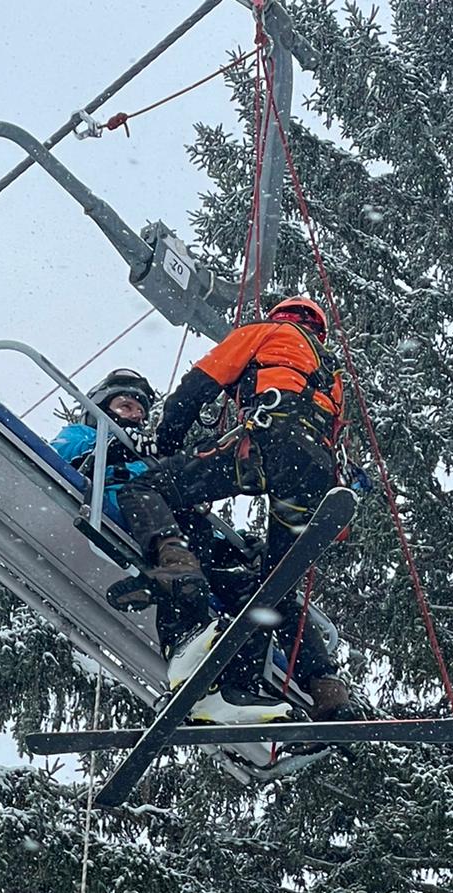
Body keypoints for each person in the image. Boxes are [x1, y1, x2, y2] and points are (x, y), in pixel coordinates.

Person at [139, 296, 353, 720]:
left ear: (281, 316)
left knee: (149, 485)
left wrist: (165, 443)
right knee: (272, 588)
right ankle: (323, 690)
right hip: (313, 476)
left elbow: (197, 386)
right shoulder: (331, 373)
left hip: (267, 450)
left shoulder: (265, 333)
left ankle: (178, 565)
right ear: (319, 329)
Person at [52, 368, 295, 726]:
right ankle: (185, 647)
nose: (134, 414)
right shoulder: (86, 434)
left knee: (250, 589)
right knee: (180, 576)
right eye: (124, 405)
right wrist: (112, 447)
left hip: (174, 532)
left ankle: (239, 687)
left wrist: (235, 548)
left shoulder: (153, 462)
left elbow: (178, 507)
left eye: (139, 410)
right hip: (130, 516)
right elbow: (59, 457)